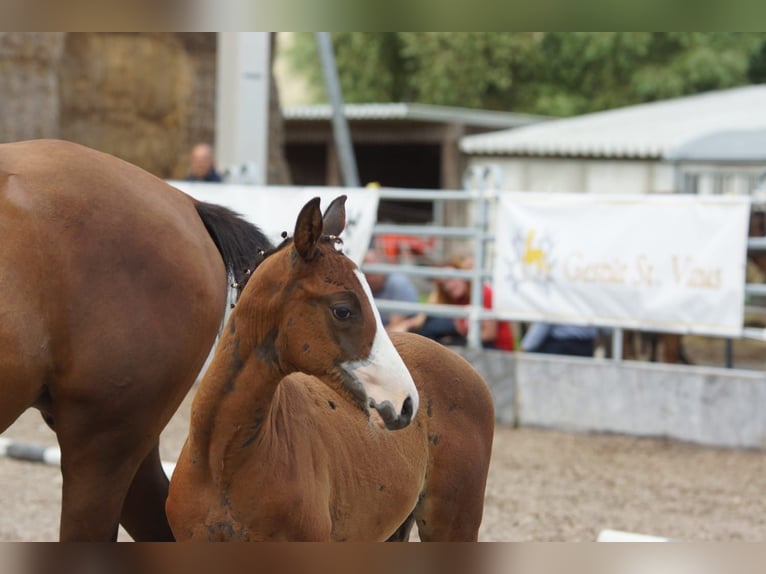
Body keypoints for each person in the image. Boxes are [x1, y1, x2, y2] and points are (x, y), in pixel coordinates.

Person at [391, 255, 514, 351]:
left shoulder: (482, 292)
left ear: (462, 275)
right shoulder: (454, 299)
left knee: (439, 333)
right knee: (430, 327)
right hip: (473, 344)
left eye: (450, 279)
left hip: (495, 350)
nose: (448, 286)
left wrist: (459, 342)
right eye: (443, 285)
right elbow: (425, 314)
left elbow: (489, 334)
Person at [362, 249, 420, 330]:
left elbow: (395, 326)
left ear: (382, 267)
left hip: (401, 331)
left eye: (372, 273)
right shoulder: (363, 286)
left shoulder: (397, 283)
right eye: (365, 273)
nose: (369, 278)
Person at [520, 322, 599, 357]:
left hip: (558, 348)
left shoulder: (556, 293)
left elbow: (543, 323)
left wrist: (525, 348)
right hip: (586, 347)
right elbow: (606, 330)